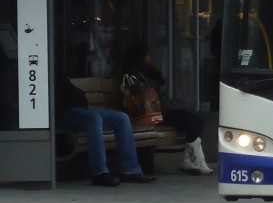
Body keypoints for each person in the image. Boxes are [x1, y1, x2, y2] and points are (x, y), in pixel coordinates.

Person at [121, 41, 213, 174]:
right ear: (139, 58)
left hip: (161, 111)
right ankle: (193, 160)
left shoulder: (145, 72)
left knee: (196, 121)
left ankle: (192, 160)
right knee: (193, 122)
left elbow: (160, 82)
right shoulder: (130, 75)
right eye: (147, 56)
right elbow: (139, 98)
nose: (149, 58)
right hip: (152, 113)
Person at [55, 70, 156, 187]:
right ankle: (100, 172)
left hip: (78, 107)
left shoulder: (56, 71)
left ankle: (130, 169)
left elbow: (69, 90)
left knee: (121, 118)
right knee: (94, 118)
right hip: (60, 114)